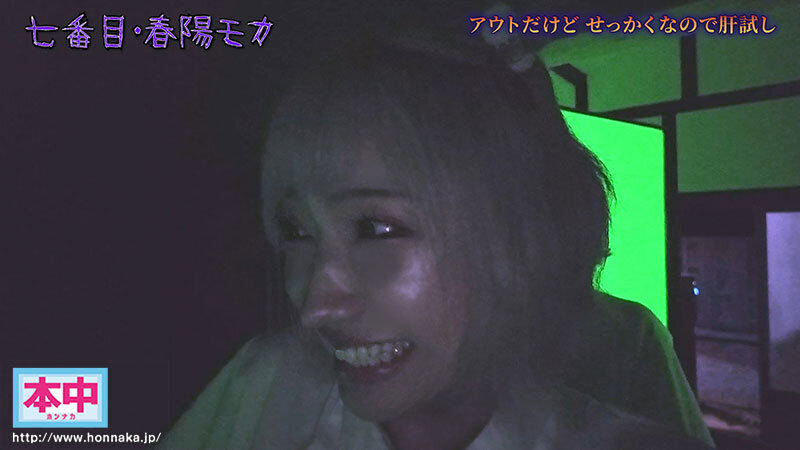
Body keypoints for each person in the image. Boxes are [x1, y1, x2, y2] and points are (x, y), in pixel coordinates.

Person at [159, 35, 714, 449]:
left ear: (520, 241)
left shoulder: (626, 399)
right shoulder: (266, 387)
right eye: (296, 231)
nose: (315, 306)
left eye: (376, 229)